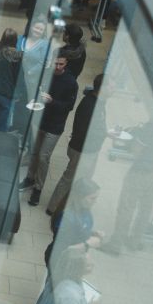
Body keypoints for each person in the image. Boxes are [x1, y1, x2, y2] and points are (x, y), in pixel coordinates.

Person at [101, 86, 153, 253]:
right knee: (146, 206)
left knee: (127, 206)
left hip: (143, 170)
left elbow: (136, 150)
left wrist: (133, 138)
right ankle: (135, 240)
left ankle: (116, 244)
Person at [19, 52, 79, 207]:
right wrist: (35, 98)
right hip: (41, 120)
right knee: (34, 152)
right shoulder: (46, 75)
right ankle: (30, 178)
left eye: (61, 64)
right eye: (56, 64)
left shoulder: (71, 82)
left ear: (66, 64)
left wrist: (52, 101)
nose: (58, 67)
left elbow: (69, 106)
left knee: (44, 157)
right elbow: (38, 90)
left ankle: (38, 189)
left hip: (55, 125)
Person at [46, 75, 107, 217]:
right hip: (82, 149)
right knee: (69, 178)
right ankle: (54, 208)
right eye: (111, 86)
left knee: (78, 178)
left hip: (87, 149)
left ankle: (67, 206)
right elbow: (84, 129)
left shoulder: (98, 102)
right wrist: (105, 133)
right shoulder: (90, 105)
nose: (113, 89)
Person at [44, 179, 103, 268]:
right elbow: (65, 247)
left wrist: (92, 233)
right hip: (59, 261)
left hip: (73, 260)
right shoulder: (66, 217)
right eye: (92, 198)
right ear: (80, 197)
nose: (95, 201)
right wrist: (88, 244)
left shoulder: (85, 211)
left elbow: (77, 232)